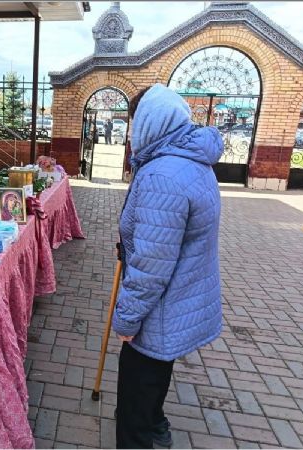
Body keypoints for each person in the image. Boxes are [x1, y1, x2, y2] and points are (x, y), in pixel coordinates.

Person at [112, 84, 224, 449]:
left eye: (133, 122)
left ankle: (141, 432)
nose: (131, 132)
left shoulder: (162, 175)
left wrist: (127, 319)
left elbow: (151, 266)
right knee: (157, 370)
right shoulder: (189, 160)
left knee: (138, 385)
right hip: (178, 298)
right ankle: (153, 421)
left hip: (160, 307)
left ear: (150, 122)